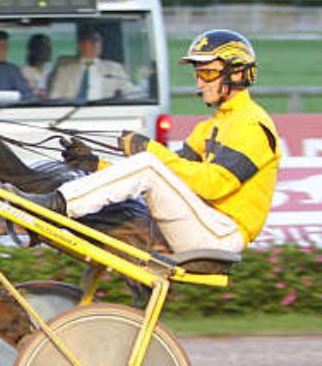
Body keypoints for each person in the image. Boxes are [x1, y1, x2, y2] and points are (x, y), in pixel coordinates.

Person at [16, 30, 281, 254]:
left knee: (148, 165)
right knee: (148, 169)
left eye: (208, 74)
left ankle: (56, 206)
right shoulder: (210, 126)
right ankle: (56, 208)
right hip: (203, 221)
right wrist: (97, 165)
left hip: (223, 234)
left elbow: (212, 186)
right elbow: (169, 177)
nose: (200, 83)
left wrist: (149, 149)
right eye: (198, 74)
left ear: (236, 74)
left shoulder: (253, 125)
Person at [46, 27, 137, 101]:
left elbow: (131, 93)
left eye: (98, 41)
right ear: (80, 45)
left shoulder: (114, 68)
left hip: (103, 112)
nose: (96, 44)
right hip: (70, 113)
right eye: (91, 41)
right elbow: (54, 97)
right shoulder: (65, 69)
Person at [20, 34, 52, 98]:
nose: (47, 52)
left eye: (48, 48)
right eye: (42, 48)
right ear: (32, 50)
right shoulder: (22, 72)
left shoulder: (50, 70)